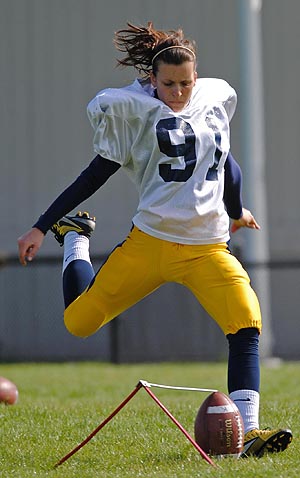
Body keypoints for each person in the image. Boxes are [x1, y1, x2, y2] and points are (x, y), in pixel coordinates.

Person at [18, 22, 292, 458]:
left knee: (246, 323)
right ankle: (75, 239)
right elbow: (92, 176)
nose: (179, 92)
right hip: (150, 244)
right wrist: (40, 225)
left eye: (186, 82)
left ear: (196, 77)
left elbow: (226, 163)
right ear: (151, 79)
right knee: (80, 323)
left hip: (207, 249)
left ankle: (249, 434)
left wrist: (237, 210)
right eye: (169, 84)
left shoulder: (210, 102)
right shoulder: (134, 113)